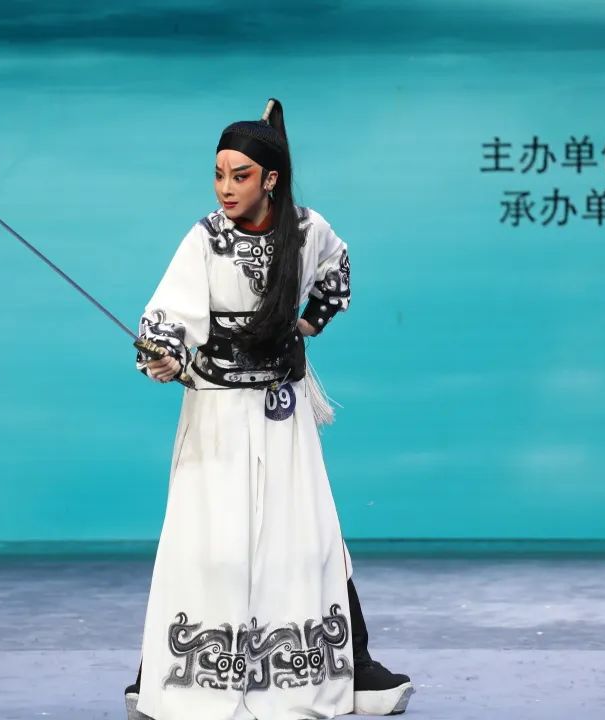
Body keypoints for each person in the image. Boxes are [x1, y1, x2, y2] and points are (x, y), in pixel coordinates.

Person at [125, 98, 413, 720]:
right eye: (218, 175)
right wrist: (164, 354)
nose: (226, 188)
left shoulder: (308, 231)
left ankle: (352, 662)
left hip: (283, 411)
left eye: (241, 175)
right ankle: (163, 671)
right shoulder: (206, 238)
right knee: (207, 540)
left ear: (271, 178)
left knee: (310, 536)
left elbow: (336, 270)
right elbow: (166, 315)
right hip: (218, 414)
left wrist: (309, 322)